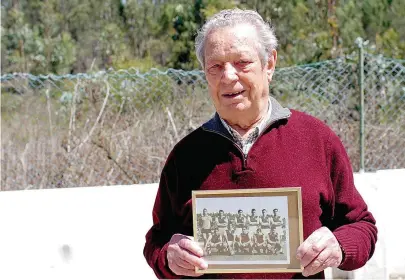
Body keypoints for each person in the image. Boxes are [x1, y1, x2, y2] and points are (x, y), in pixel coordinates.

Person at [144, 8, 377, 279]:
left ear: (269, 64)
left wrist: (339, 246)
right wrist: (169, 258)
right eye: (215, 66)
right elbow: (157, 242)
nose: (228, 77)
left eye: (242, 62)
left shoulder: (316, 139)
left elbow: (361, 226)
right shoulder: (185, 156)